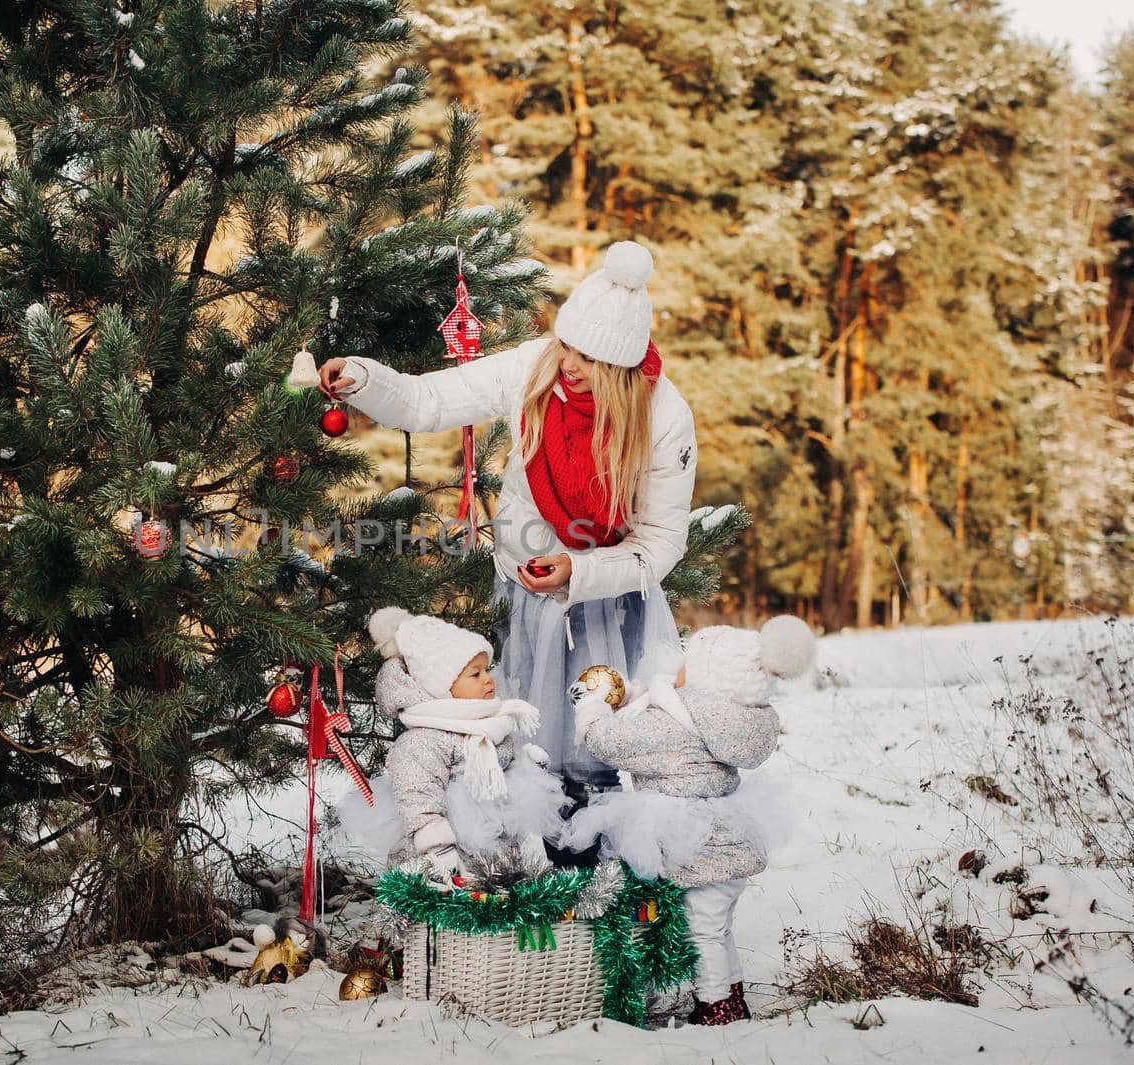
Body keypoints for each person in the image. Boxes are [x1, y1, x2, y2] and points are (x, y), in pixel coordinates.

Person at [319, 240, 697, 863]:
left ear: (624, 366)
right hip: (524, 592)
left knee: (593, 751)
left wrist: (581, 570)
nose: (570, 365)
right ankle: (519, 887)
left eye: (591, 357)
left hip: (609, 601)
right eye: (568, 344)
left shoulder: (663, 417)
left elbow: (661, 543)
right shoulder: (535, 367)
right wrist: (365, 379)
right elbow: (428, 400)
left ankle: (594, 891)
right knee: (521, 740)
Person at [564, 615, 815, 1024]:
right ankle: (732, 996)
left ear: (706, 676)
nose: (677, 669)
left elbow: (616, 743)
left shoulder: (679, 723)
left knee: (702, 929)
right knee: (718, 927)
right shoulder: (726, 717)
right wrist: (635, 698)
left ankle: (716, 1006)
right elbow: (662, 720)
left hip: (696, 847)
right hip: (727, 844)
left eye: (688, 662)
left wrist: (591, 710)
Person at [333, 607, 568, 885]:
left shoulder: (490, 725)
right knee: (457, 907)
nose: (488, 678)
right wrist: (438, 848)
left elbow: (503, 768)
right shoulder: (422, 741)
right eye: (475, 674)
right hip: (446, 859)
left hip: (495, 851)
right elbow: (417, 795)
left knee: (498, 899)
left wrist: (525, 767)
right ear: (441, 687)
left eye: (487, 669)